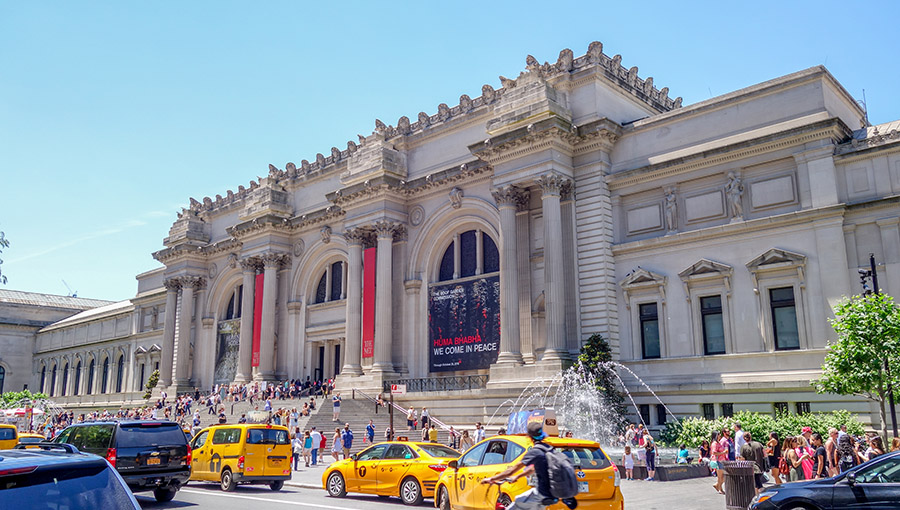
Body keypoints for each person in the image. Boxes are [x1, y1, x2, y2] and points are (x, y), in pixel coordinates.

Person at [482, 421, 577, 510]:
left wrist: (492, 479)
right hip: (550, 494)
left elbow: (511, 471)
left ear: (529, 436)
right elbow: (533, 468)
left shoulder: (535, 451)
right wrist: (518, 476)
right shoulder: (548, 448)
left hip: (540, 493)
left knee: (517, 502)